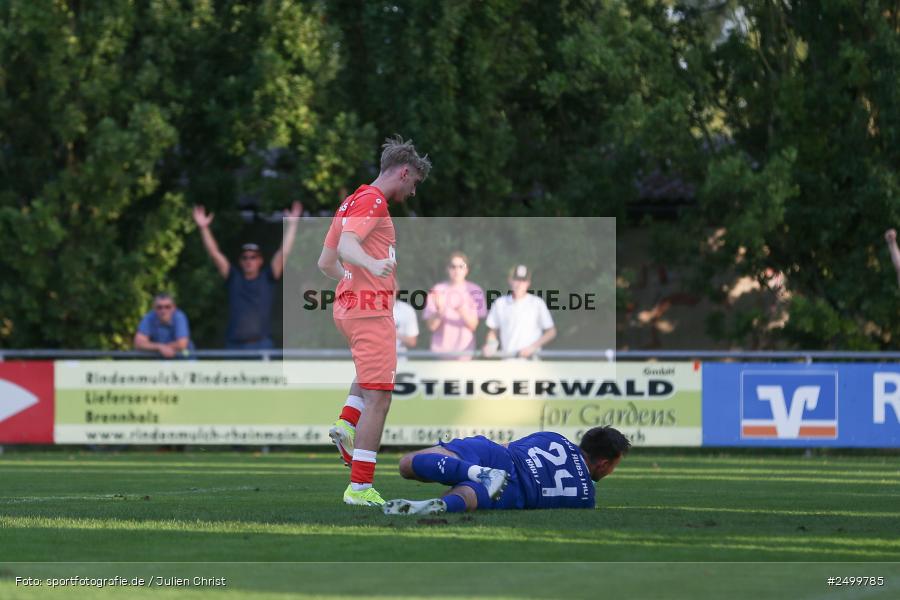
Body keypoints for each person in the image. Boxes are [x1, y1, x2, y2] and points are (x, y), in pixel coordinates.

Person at [316, 135, 431, 506]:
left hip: (351, 309)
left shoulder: (351, 199)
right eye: (415, 183)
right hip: (370, 311)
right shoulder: (374, 200)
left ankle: (346, 423)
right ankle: (360, 487)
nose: (413, 192)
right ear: (404, 172)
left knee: (369, 378)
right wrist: (370, 265)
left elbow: (326, 262)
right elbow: (347, 246)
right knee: (379, 397)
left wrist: (352, 279)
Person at [383, 426, 631, 515]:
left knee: (407, 464)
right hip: (518, 489)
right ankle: (446, 505)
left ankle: (472, 471)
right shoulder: (586, 497)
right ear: (604, 463)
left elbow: (507, 446)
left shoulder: (554, 437)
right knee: (466, 496)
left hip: (498, 454)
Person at [192, 201, 302, 349]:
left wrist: (293, 225)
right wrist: (203, 228)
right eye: (245, 257)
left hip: (262, 345)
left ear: (260, 261)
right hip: (234, 346)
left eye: (253, 257)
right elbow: (214, 254)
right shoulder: (233, 277)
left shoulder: (268, 277)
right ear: (240, 261)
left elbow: (284, 252)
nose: (249, 260)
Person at [482, 264, 557, 358]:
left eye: (523, 280)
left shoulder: (537, 303)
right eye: (516, 279)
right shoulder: (500, 303)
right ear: (510, 280)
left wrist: (532, 347)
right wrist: (491, 345)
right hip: (508, 360)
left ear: (528, 283)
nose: (520, 284)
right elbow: (493, 331)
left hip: (532, 361)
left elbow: (551, 332)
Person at [423, 251, 487, 359]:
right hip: (440, 355)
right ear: (447, 269)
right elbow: (431, 327)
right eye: (453, 266)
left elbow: (474, 326)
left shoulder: (475, 290)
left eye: (461, 266)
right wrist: (439, 312)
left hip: (465, 354)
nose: (457, 270)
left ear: (466, 270)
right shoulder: (436, 290)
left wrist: (462, 311)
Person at [133, 293, 194, 358]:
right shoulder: (149, 317)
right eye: (159, 307)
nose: (163, 311)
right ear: (154, 308)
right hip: (160, 361)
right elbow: (138, 343)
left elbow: (182, 344)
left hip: (185, 359)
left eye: (167, 307)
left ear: (174, 307)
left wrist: (158, 347)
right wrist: (160, 347)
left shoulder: (179, 317)